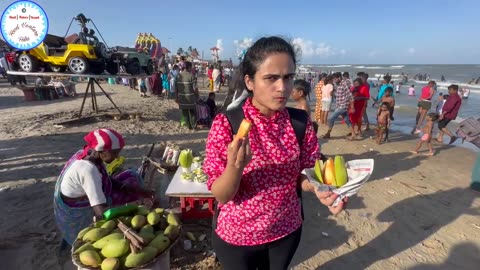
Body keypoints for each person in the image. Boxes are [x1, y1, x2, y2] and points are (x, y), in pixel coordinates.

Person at [203, 36, 345, 270]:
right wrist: (235, 167)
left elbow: (306, 174)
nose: (282, 87)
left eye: (288, 77)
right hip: (237, 237)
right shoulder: (227, 124)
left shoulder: (299, 122)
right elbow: (222, 196)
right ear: (249, 81)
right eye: (271, 78)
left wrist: (321, 188)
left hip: (286, 230)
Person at [53, 128, 156, 246]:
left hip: (91, 190)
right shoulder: (88, 171)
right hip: (78, 207)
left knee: (132, 177)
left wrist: (139, 191)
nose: (117, 158)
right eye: (115, 153)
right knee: (124, 210)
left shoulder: (89, 153)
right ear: (102, 150)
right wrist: (132, 211)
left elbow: (105, 179)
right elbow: (100, 212)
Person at [322, 72, 354, 139]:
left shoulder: (344, 84)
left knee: (331, 119)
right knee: (347, 120)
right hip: (339, 105)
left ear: (339, 78)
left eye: (335, 79)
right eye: (333, 79)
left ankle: (328, 133)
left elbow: (350, 96)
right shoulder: (338, 85)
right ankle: (353, 134)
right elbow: (338, 95)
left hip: (342, 106)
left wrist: (352, 107)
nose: (334, 80)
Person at [175, 61, 199, 129]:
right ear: (189, 67)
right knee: (192, 112)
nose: (191, 68)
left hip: (182, 98)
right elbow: (195, 88)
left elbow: (176, 88)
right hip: (190, 97)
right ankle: (194, 126)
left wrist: (176, 97)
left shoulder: (178, 76)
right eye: (191, 67)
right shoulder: (191, 76)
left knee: (185, 112)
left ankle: (188, 125)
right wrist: (197, 95)